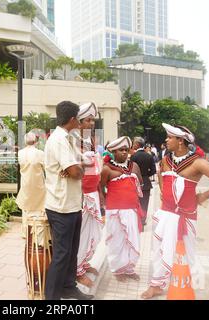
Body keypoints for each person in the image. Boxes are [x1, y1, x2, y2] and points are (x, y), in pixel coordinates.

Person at [141, 123, 209, 299]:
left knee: (186, 252)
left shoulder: (198, 162)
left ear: (180, 141)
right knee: (159, 250)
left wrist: (204, 196)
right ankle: (156, 285)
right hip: (165, 214)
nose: (166, 140)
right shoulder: (165, 160)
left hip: (186, 216)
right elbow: (161, 177)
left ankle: (185, 283)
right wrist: (163, 194)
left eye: (169, 137)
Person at [44, 101, 93, 300]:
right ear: (73, 119)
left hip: (72, 205)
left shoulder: (69, 138)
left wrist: (76, 168)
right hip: (60, 207)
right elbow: (75, 171)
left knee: (72, 252)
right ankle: (52, 297)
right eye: (80, 118)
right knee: (62, 255)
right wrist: (76, 169)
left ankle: (68, 287)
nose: (81, 122)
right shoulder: (58, 140)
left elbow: (81, 164)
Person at [101, 136, 144, 282]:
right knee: (116, 240)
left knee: (132, 239)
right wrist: (105, 202)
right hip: (114, 210)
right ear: (113, 151)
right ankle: (117, 269)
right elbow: (100, 187)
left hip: (131, 209)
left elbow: (140, 183)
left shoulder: (134, 166)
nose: (124, 152)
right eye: (121, 150)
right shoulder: (106, 168)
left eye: (126, 149)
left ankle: (129, 268)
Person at [75, 102, 104, 288]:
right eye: (88, 119)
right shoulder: (73, 139)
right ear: (78, 121)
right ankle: (76, 269)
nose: (91, 123)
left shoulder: (88, 139)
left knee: (94, 231)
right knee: (83, 232)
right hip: (82, 194)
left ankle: (84, 263)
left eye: (93, 119)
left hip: (92, 191)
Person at [16, 132, 46, 238]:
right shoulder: (40, 153)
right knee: (40, 208)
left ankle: (26, 232)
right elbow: (47, 168)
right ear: (35, 141)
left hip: (25, 184)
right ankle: (38, 232)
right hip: (38, 185)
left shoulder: (20, 153)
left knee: (26, 208)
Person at [131, 137, 156, 226]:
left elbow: (130, 169)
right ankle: (143, 219)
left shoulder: (133, 156)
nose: (133, 145)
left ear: (137, 144)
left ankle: (137, 219)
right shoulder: (149, 156)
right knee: (145, 203)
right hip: (146, 183)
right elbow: (153, 170)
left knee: (136, 202)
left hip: (134, 183)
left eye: (134, 143)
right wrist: (145, 175)